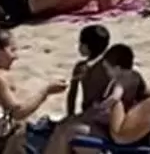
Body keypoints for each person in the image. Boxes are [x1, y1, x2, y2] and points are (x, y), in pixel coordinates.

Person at [41, 26, 117, 154]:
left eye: (81, 43)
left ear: (86, 47)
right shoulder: (109, 67)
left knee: (62, 129)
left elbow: (72, 95)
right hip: (102, 117)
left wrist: (70, 115)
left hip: (92, 115)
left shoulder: (82, 68)